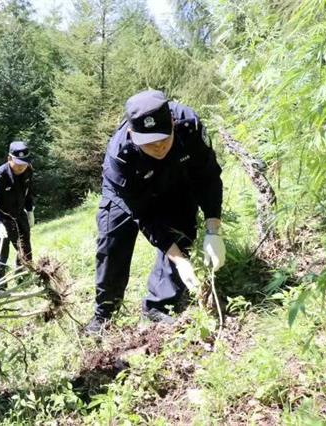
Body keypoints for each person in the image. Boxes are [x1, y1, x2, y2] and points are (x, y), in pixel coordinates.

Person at [85, 89, 226, 334]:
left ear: (172, 122)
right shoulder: (120, 157)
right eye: (149, 143)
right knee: (113, 242)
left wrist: (213, 229)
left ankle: (158, 306)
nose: (159, 147)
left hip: (176, 178)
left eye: (163, 139)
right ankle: (104, 314)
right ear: (133, 135)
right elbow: (144, 216)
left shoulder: (189, 126)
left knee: (182, 228)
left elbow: (208, 177)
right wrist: (179, 260)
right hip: (129, 191)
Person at [0, 141, 35, 293]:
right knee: (0, 255)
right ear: (9, 159)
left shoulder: (28, 171)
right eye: (18, 164)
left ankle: (23, 277)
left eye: (24, 163)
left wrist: (30, 210)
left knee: (25, 249)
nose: (21, 167)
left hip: (18, 215)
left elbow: (28, 193)